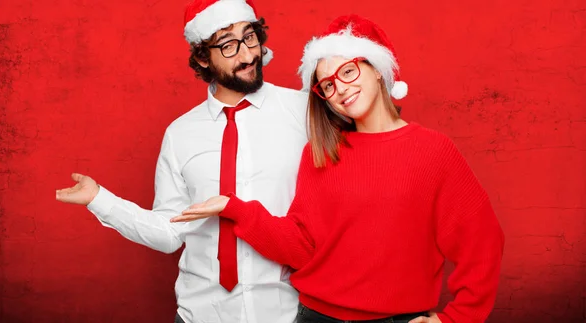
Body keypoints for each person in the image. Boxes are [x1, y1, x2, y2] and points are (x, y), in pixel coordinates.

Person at [173, 14, 505, 323]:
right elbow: (302, 248)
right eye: (327, 85)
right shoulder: (321, 153)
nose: (340, 89)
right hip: (314, 316)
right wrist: (236, 209)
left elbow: (483, 243)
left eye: (347, 72)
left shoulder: (433, 151)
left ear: (375, 67)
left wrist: (456, 319)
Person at [55, 0, 308, 322]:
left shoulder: (305, 113)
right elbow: (168, 233)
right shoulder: (180, 134)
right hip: (200, 314)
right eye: (229, 46)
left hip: (288, 313)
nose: (248, 55)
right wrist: (99, 200)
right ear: (203, 57)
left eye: (250, 37)